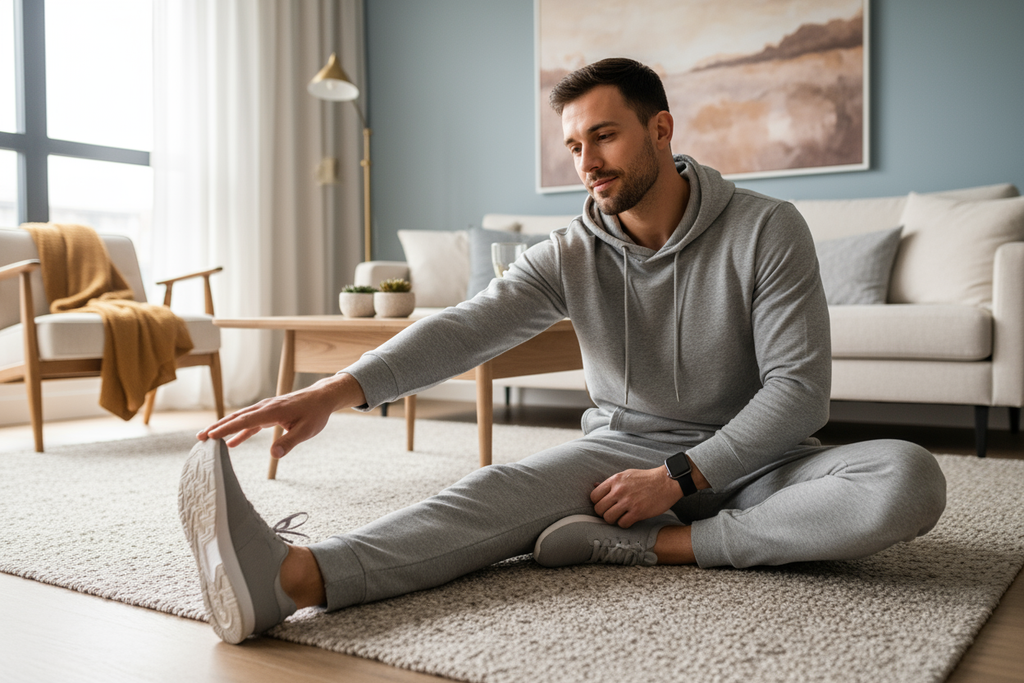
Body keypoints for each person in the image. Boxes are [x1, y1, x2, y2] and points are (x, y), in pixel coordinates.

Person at [178, 58, 947, 644]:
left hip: (761, 461)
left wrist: (677, 483)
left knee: (906, 477)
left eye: (604, 135)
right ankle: (292, 576)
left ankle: (658, 549)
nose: (587, 161)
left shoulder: (767, 227)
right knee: (492, 490)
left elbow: (798, 394)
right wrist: (333, 391)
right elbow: (466, 326)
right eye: (575, 145)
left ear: (661, 130)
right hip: (620, 457)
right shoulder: (569, 250)